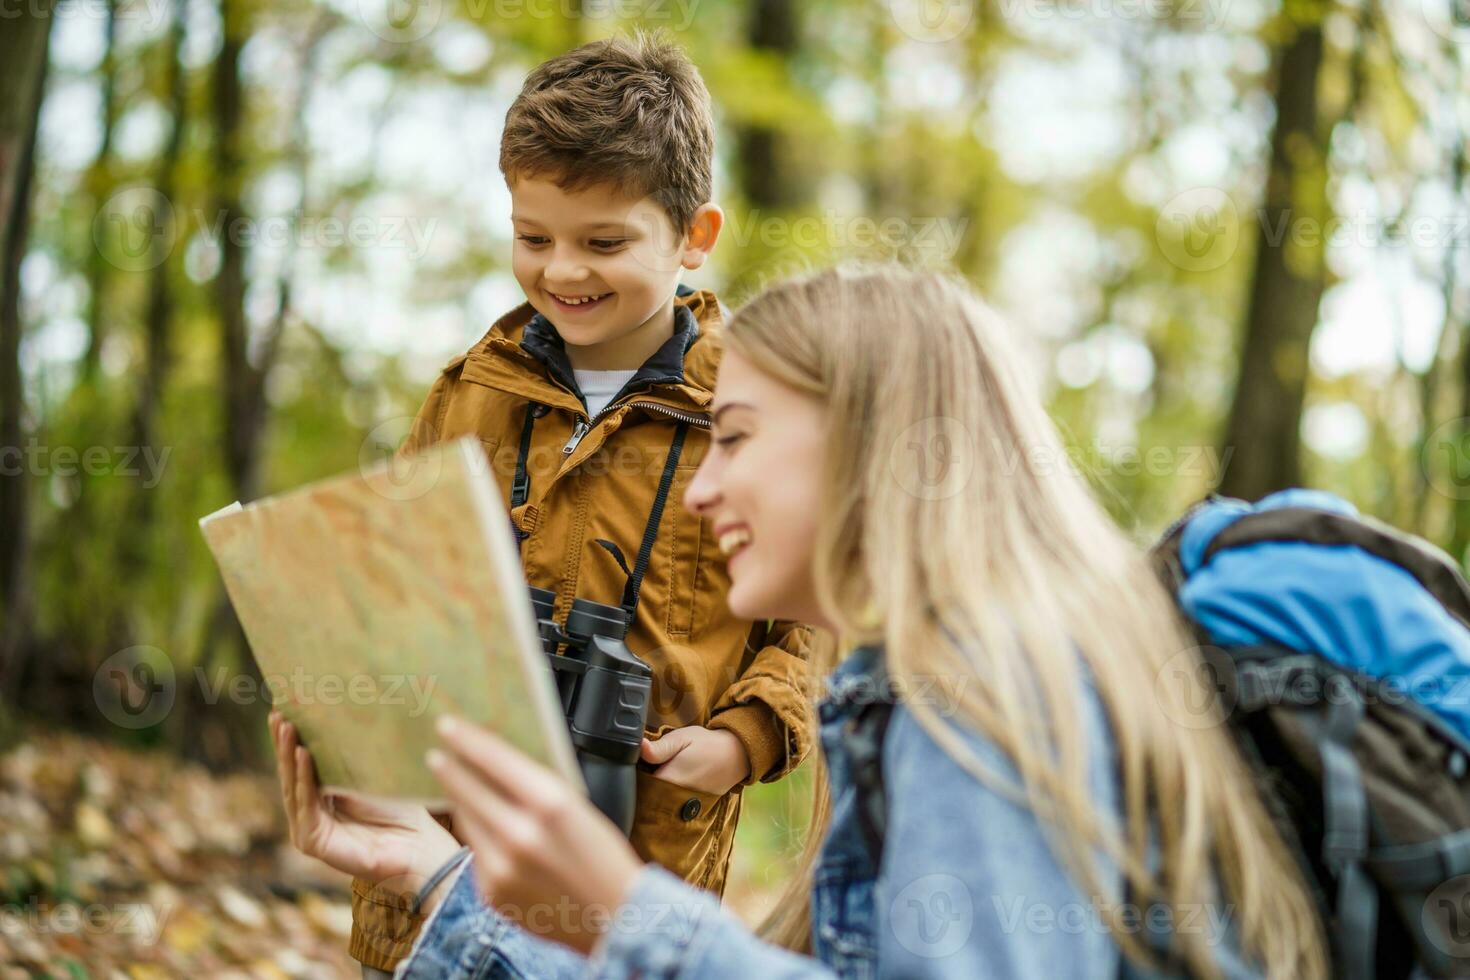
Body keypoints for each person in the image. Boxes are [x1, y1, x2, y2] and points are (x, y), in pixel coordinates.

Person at [278, 264, 1328, 978]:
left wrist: (621, 903)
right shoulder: (920, 689)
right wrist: (434, 874)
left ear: (874, 448)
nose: (701, 490)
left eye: (734, 438)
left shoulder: (988, 696)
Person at [343, 33, 817, 975]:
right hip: (445, 839)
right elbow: (384, 574)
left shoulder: (752, 410)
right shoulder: (469, 391)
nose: (563, 271)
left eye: (605, 243)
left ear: (693, 236)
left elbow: (806, 625)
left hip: (639, 861)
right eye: (533, 238)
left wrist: (742, 739)